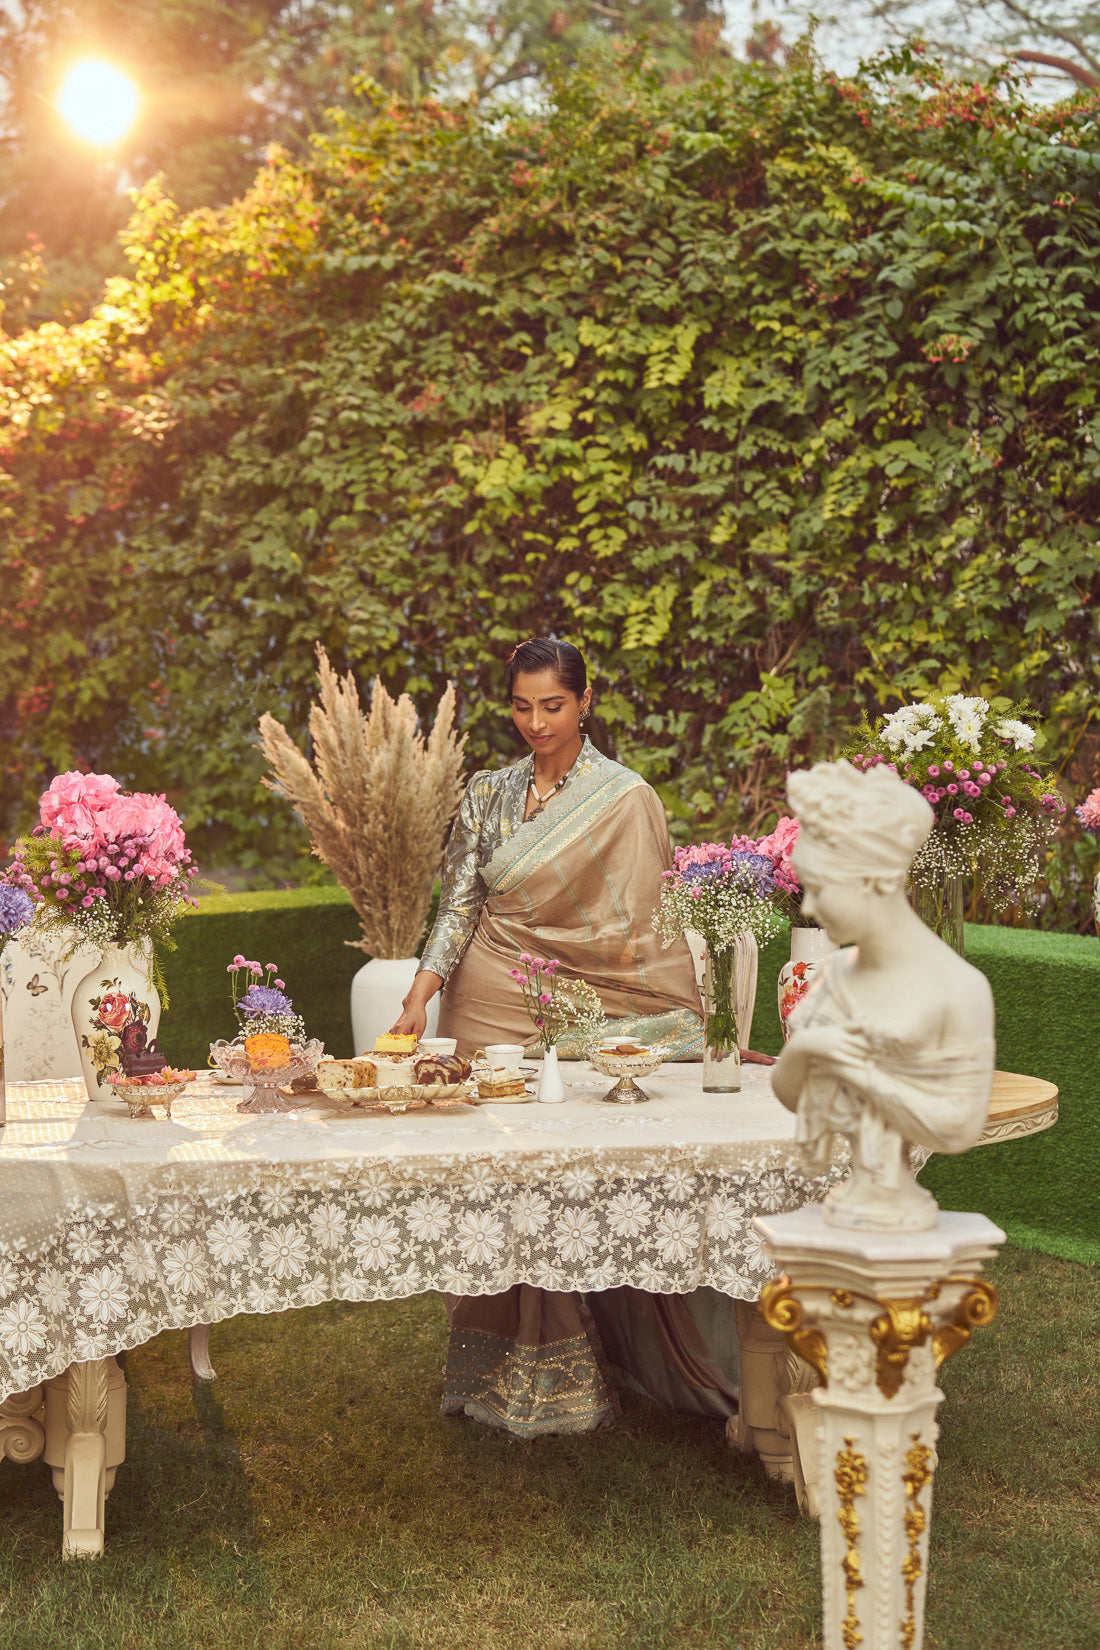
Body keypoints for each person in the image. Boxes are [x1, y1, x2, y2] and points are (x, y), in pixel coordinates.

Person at [392, 637, 736, 1437]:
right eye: (521, 706)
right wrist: (420, 994)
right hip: (487, 998)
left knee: (579, 1174)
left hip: (589, 1003)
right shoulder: (488, 792)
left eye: (552, 705)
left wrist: (586, 976)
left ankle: (609, 1352)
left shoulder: (625, 798)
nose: (536, 722)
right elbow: (459, 902)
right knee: (499, 1177)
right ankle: (508, 1364)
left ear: (585, 701)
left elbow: (638, 927)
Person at [772, 760, 995, 1231]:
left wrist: (855, 1069)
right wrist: (810, 1049)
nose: (808, 906)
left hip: (902, 1217)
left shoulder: (959, 988)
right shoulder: (833, 975)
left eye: (819, 888)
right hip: (845, 1207)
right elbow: (789, 1091)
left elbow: (957, 1126)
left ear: (873, 880)